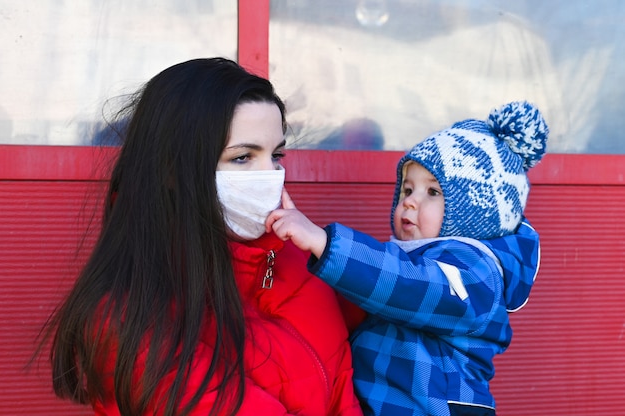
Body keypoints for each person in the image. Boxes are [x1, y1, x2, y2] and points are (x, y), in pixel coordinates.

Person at [44, 58, 363, 416]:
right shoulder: (128, 319)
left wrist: (333, 250)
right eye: (243, 157)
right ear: (170, 170)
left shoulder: (291, 254)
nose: (270, 176)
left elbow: (402, 308)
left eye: (275, 155)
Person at [267, 101, 548, 416]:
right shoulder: (410, 260)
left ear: (475, 213)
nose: (410, 202)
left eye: (433, 192)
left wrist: (323, 242)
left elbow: (411, 285)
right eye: (407, 189)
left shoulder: (477, 273)